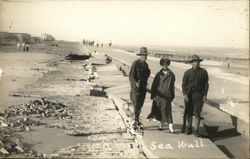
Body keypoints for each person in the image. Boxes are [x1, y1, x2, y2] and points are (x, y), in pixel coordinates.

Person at [181, 55, 209, 137]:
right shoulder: (187, 72)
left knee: (197, 113)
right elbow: (183, 85)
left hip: (199, 95)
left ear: (199, 63)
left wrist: (205, 95)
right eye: (194, 62)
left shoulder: (204, 72)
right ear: (191, 63)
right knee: (189, 112)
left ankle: (196, 130)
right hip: (189, 95)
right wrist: (185, 94)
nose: (196, 63)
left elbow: (206, 84)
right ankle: (189, 128)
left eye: (197, 62)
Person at [146, 58, 175, 133]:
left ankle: (170, 127)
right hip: (159, 95)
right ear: (161, 65)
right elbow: (154, 85)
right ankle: (160, 125)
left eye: (166, 64)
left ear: (168, 65)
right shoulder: (158, 74)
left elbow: (172, 86)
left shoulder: (171, 74)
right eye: (163, 64)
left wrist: (172, 96)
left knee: (167, 111)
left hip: (167, 95)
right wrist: (153, 95)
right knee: (159, 110)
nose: (164, 66)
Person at [129, 47, 151, 130]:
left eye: (145, 55)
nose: (144, 57)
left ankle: (137, 121)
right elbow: (131, 76)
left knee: (140, 105)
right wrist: (135, 83)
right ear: (140, 55)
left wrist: (145, 84)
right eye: (143, 55)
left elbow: (147, 74)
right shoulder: (135, 63)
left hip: (143, 89)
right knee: (136, 105)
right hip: (135, 89)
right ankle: (135, 122)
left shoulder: (146, 65)